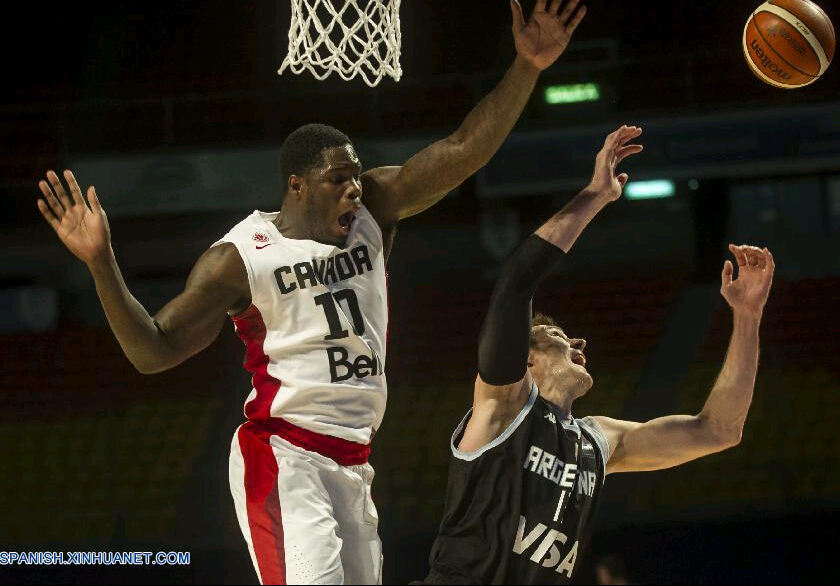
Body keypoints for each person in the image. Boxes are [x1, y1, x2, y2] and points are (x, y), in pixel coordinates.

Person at [34, 1, 588, 583]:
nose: (354, 189)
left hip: (354, 462)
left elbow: (462, 150)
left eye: (356, 176)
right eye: (338, 180)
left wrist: (527, 66)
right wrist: (101, 262)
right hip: (284, 456)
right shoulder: (239, 258)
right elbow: (152, 350)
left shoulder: (375, 207)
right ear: (297, 186)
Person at [421, 124, 775, 584]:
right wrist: (595, 195)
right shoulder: (504, 407)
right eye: (556, 334)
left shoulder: (597, 441)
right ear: (525, 360)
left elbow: (719, 430)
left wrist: (748, 318)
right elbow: (515, 285)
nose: (578, 343)